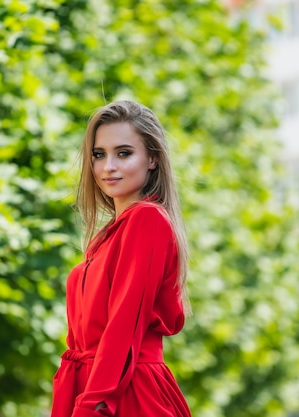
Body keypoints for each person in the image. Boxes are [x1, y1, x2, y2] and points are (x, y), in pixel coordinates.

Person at [51, 100, 192, 417]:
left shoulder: (147, 220)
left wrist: (92, 406)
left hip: (124, 393)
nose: (107, 166)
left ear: (152, 159)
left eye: (123, 153)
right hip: (98, 387)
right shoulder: (106, 238)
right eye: (99, 154)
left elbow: (123, 326)